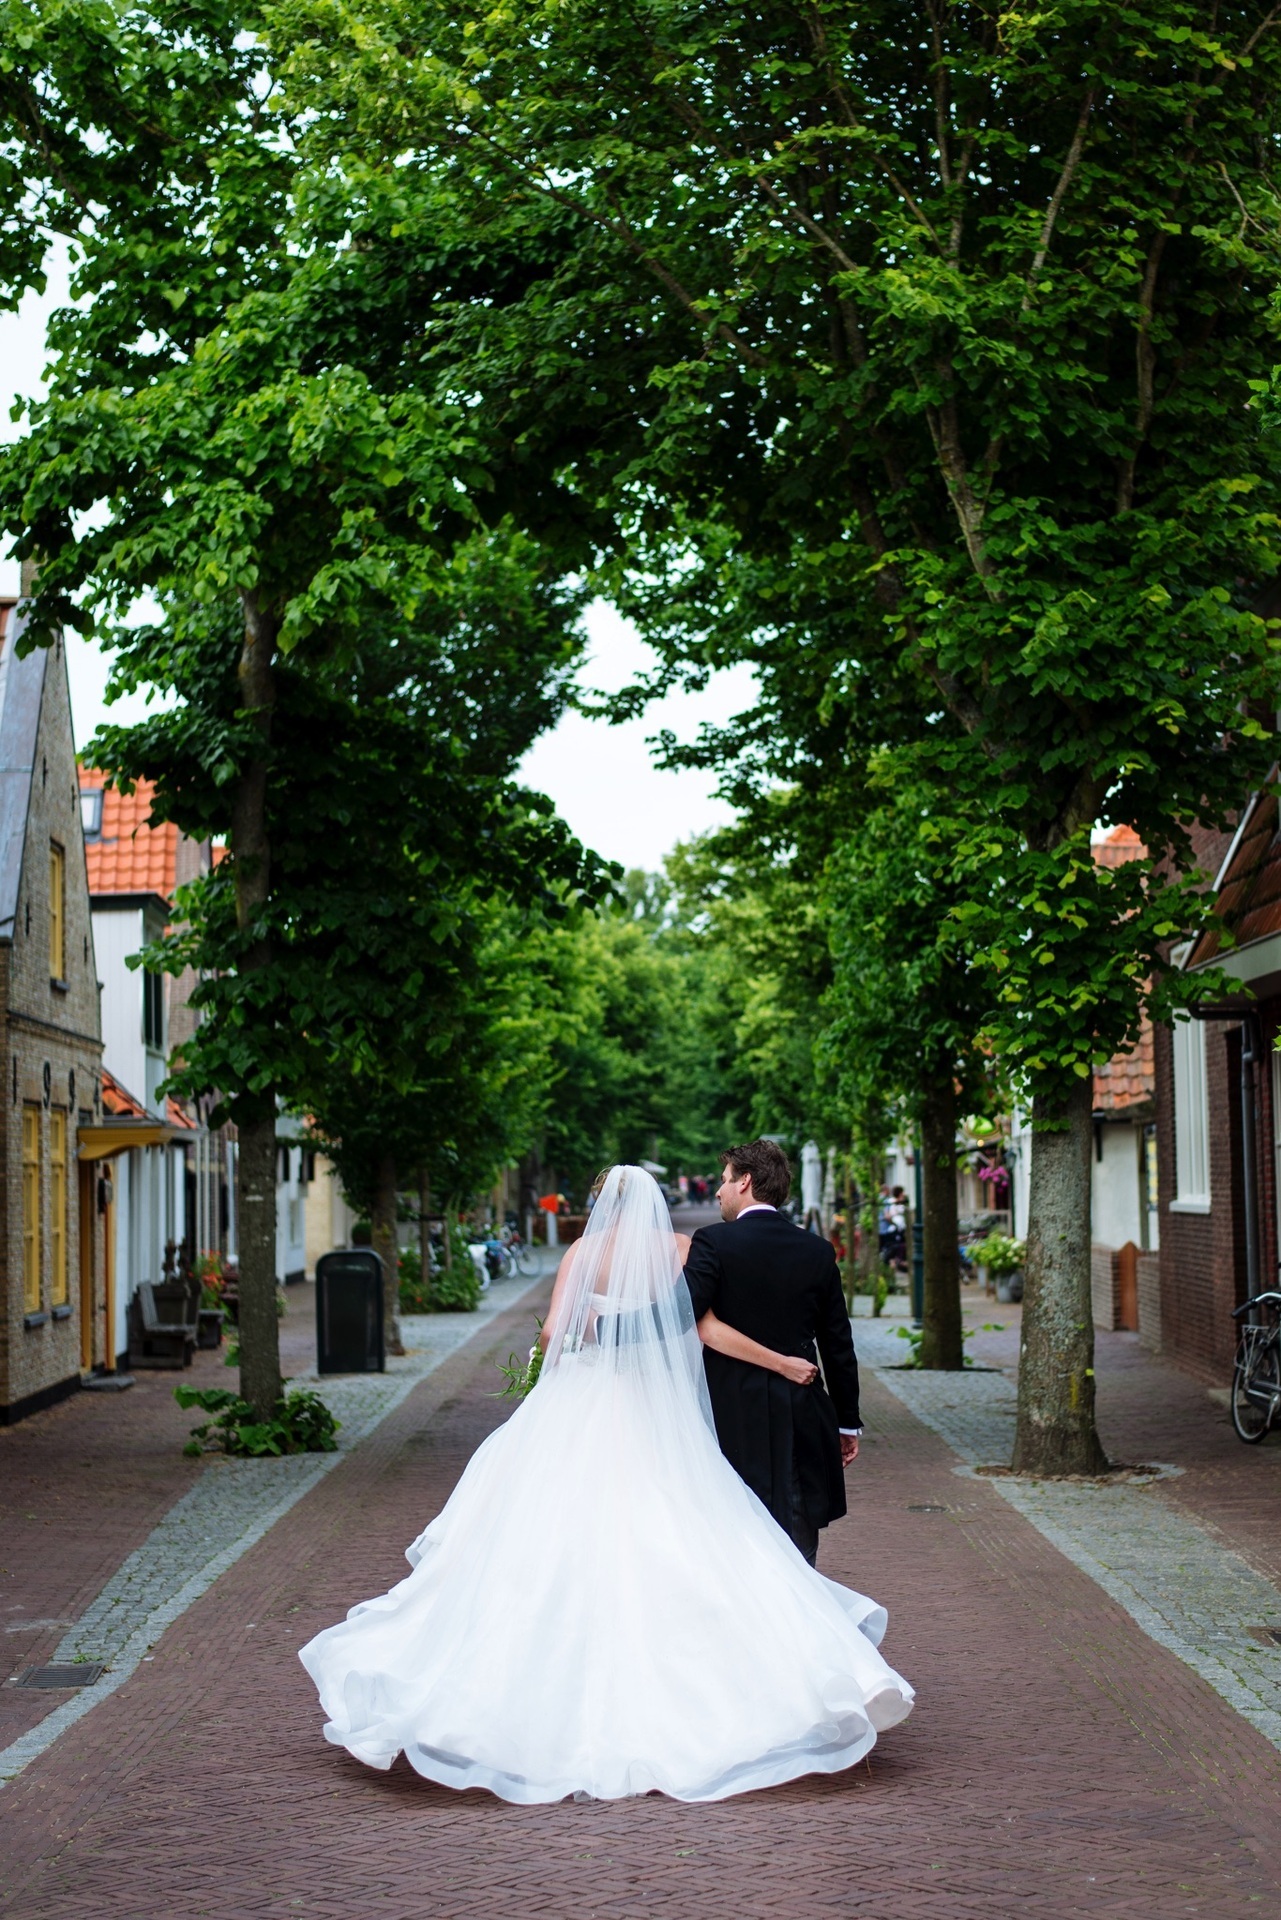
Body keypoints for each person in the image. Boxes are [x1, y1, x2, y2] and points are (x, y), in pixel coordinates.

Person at [299, 1164, 912, 1803]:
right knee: (683, 1525)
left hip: (583, 1398)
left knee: (548, 1533)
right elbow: (699, 1327)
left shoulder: (586, 1251)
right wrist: (782, 1362)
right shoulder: (683, 1248)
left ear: (598, 1205)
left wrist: (550, 1372)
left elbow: (552, 1333)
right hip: (652, 1407)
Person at [683, 1140, 863, 1567]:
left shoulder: (713, 1243)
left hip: (731, 1408)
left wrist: (604, 1328)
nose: (719, 1192)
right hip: (802, 1407)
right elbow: (838, 1342)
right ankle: (801, 1620)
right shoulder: (818, 1250)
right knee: (798, 1533)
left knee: (736, 1527)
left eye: (725, 1181)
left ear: (745, 1182)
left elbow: (677, 1312)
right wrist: (848, 1422)